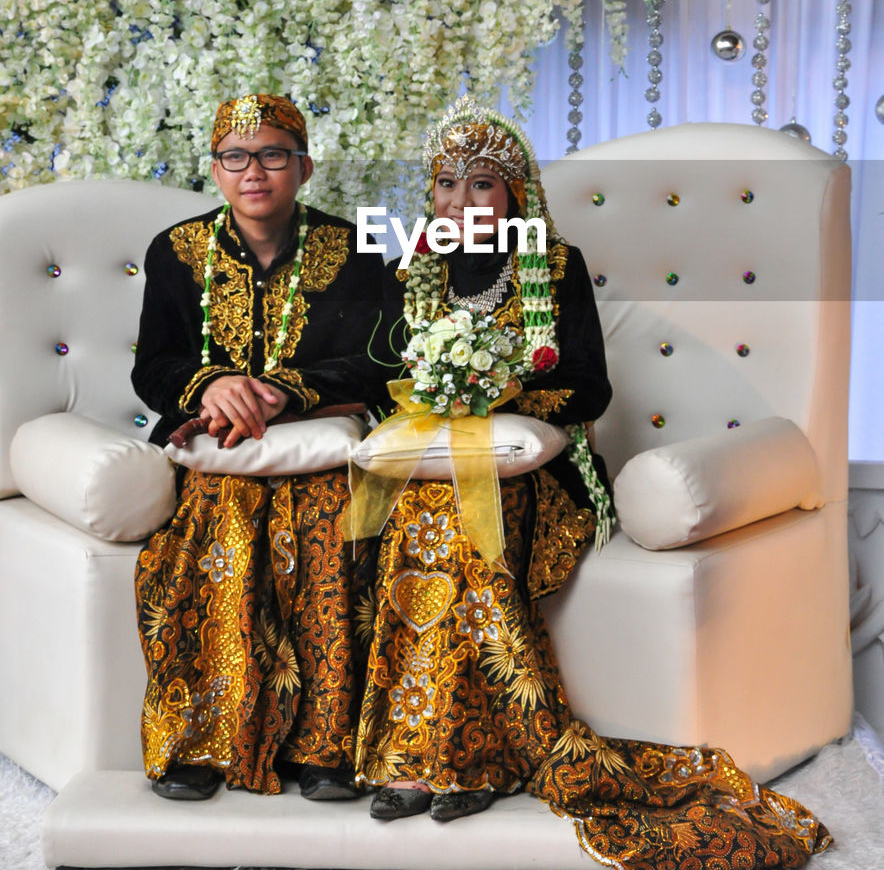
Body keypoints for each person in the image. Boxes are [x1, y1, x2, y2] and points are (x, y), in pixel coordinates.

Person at [350, 96, 830, 868]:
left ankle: (470, 758)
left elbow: (588, 390)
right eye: (446, 184)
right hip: (432, 466)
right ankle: (415, 752)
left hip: (544, 474)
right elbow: (378, 375)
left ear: (516, 195)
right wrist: (437, 394)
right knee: (425, 517)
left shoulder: (554, 266)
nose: (461, 202)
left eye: (482, 185)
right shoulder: (409, 268)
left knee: (463, 525)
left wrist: (497, 393)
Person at [132, 94, 382, 802]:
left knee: (334, 541)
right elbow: (152, 366)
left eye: (273, 155)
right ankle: (198, 744)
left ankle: (326, 750)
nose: (254, 172)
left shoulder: (355, 251)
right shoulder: (178, 251)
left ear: (303, 166)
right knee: (216, 541)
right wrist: (211, 385)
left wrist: (280, 391)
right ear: (215, 170)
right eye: (235, 157)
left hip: (321, 451)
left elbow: (379, 363)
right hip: (217, 451)